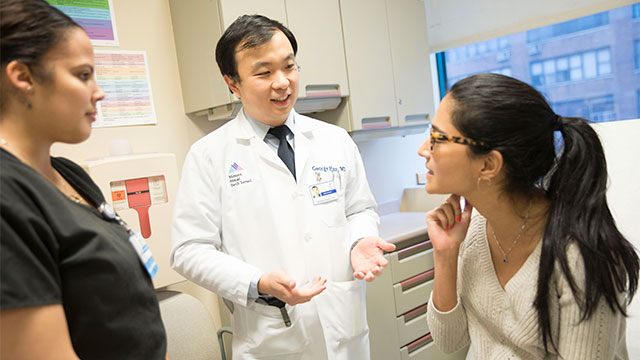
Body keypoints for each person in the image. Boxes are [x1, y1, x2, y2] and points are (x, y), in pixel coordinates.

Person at [171, 14, 395, 359]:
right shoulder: (209, 156)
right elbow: (188, 250)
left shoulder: (333, 140)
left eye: (289, 67)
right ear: (232, 82)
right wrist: (256, 281)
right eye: (264, 72)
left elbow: (360, 208)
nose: (282, 82)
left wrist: (360, 239)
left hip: (343, 331)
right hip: (271, 338)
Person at [419, 73, 639, 359]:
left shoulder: (580, 256)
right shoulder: (475, 227)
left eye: (438, 138)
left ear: (488, 165)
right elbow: (451, 341)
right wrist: (445, 255)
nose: (423, 149)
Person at [0, 1, 168, 359]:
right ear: (23, 77)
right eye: (82, 75)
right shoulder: (7, 194)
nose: (99, 91)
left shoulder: (68, 171)